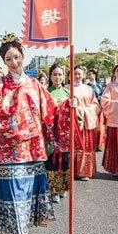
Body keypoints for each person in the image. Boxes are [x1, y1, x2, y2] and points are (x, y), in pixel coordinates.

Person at [0, 33, 56, 234]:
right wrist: (12, 100)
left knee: (28, 196)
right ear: (3, 62)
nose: (13, 62)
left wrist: (69, 107)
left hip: (33, 150)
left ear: (23, 56)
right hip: (10, 150)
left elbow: (49, 112)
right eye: (8, 58)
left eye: (16, 56)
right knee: (15, 196)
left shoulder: (35, 84)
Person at [44, 63, 71, 203]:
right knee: (52, 161)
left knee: (65, 161)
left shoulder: (68, 93)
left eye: (60, 74)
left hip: (65, 134)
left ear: (64, 76)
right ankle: (54, 189)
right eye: (54, 74)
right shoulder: (46, 93)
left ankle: (63, 188)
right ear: (50, 76)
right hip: (51, 133)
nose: (57, 77)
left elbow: (75, 114)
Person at [72, 65, 100, 181]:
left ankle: (84, 171)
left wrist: (83, 111)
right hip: (73, 123)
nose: (77, 76)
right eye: (75, 74)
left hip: (85, 122)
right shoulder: (68, 88)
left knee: (85, 147)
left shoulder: (88, 89)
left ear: (83, 75)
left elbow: (95, 105)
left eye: (79, 74)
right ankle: (71, 170)